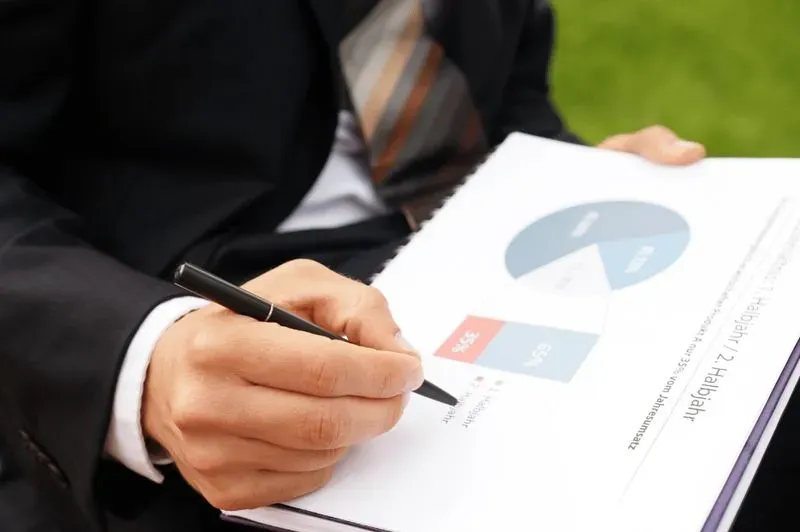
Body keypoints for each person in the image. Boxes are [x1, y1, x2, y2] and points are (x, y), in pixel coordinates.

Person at [11, 1, 792, 531]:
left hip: (473, 259)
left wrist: (576, 185)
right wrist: (143, 355)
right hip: (177, 316)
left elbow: (505, 84)